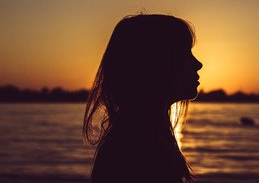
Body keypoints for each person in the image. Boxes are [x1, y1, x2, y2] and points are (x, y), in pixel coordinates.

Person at [83, 14, 203, 183]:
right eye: (184, 53)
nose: (198, 64)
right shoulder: (137, 147)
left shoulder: (140, 136)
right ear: (156, 63)